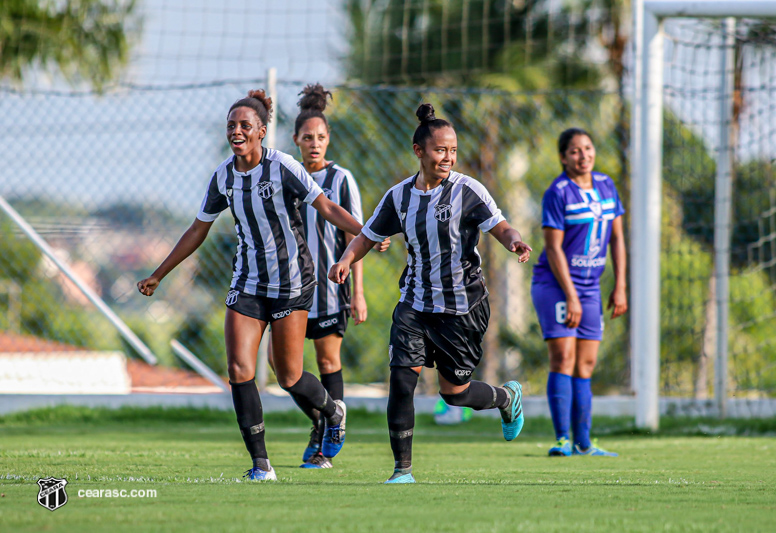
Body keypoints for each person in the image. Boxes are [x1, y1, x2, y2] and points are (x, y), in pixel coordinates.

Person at [137, 89, 386, 481]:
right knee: (239, 368)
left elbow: (326, 207)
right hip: (248, 283)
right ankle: (261, 464)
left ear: (262, 132)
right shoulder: (223, 177)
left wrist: (368, 232)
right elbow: (197, 230)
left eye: (245, 126)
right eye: (231, 126)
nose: (237, 131)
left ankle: (333, 411)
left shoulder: (284, 166)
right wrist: (159, 274)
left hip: (291, 282)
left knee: (289, 376)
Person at [329, 103, 532, 484]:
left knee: (454, 393)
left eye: (453, 151)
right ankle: (401, 471)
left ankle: (506, 398)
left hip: (461, 308)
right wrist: (345, 260)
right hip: (415, 304)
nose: (448, 157)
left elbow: (501, 226)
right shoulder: (399, 197)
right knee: (402, 381)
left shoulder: (468, 191)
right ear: (419, 151)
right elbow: (368, 236)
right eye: (441, 150)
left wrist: (516, 242)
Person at [268, 84, 368, 469]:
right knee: (281, 367)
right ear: (295, 140)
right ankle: (322, 418)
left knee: (328, 361)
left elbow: (355, 236)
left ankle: (326, 446)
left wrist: (358, 292)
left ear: (329, 140)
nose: (314, 144)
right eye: (307, 137)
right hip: (289, 287)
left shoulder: (341, 180)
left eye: (321, 137)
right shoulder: (284, 176)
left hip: (329, 290)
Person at [530, 127, 627, 457]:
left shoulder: (606, 185)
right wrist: (571, 295)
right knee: (564, 358)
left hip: (591, 287)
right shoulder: (557, 192)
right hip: (556, 286)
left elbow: (617, 239)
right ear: (562, 157)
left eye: (588, 148)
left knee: (585, 365)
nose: (583, 155)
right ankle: (562, 440)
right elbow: (553, 249)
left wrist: (621, 285)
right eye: (574, 150)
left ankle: (585, 443)